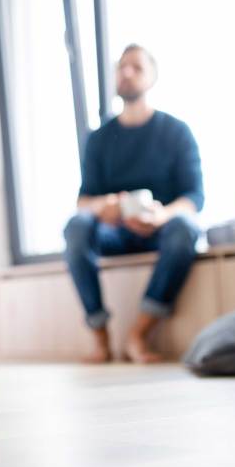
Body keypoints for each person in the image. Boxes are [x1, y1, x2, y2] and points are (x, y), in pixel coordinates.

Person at [63, 44, 203, 364]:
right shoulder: (98, 140)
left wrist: (163, 214)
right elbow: (83, 200)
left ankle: (138, 335)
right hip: (114, 232)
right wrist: (104, 206)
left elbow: (195, 198)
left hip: (161, 229)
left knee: (185, 228)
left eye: (136, 67)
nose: (126, 72)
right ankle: (100, 335)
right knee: (77, 226)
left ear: (153, 78)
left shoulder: (177, 132)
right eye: (121, 66)